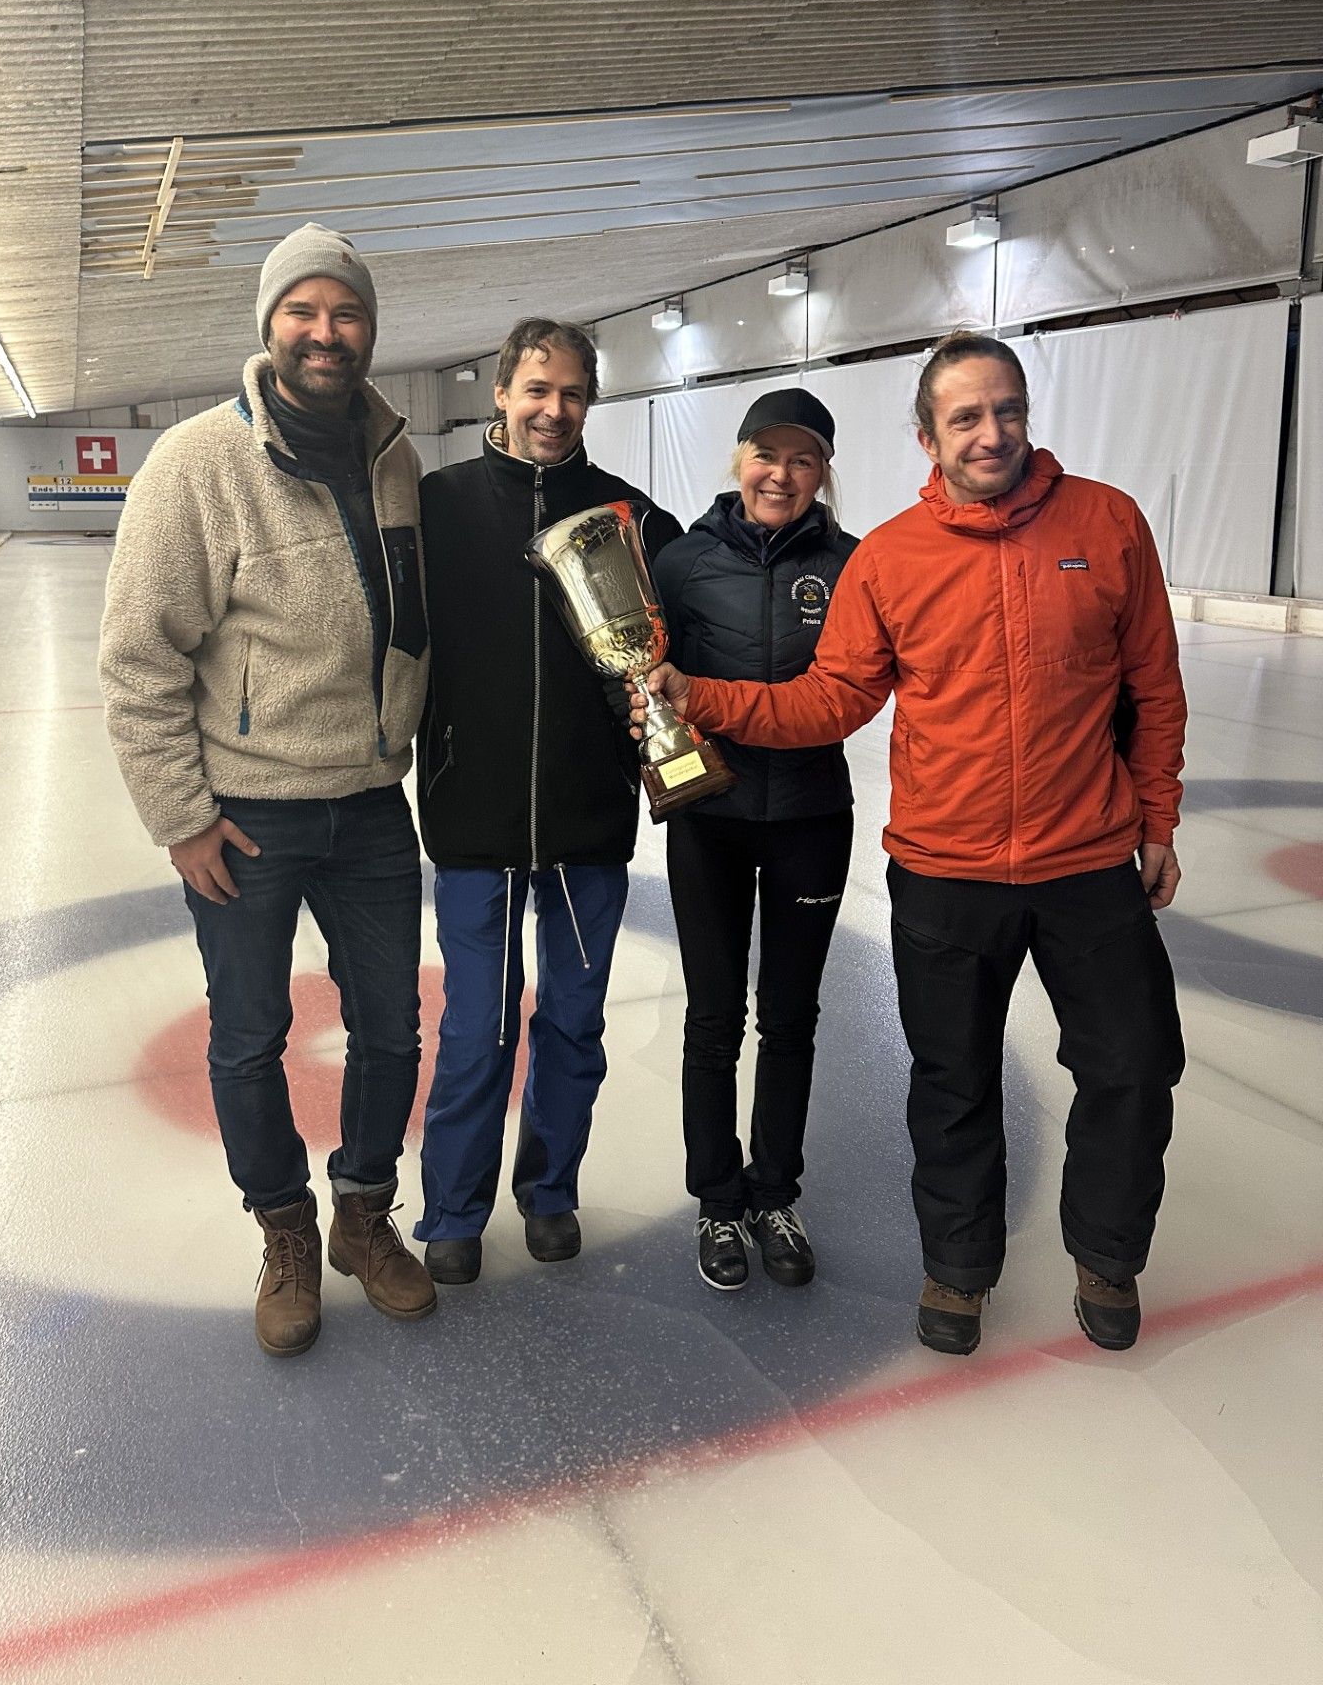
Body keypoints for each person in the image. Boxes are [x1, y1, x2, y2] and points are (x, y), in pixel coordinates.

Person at [635, 331, 1186, 1354]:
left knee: (1136, 1063)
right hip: (947, 868)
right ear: (928, 435)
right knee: (953, 1077)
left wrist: (1157, 819)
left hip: (1086, 862)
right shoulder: (891, 557)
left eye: (1006, 409)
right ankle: (959, 1270)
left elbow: (1152, 683)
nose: (992, 433)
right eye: (966, 417)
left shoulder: (1106, 524)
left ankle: (1107, 1254)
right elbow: (830, 698)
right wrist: (696, 696)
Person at [99, 222, 436, 1356]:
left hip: (373, 806)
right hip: (248, 814)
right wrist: (182, 818)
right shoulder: (199, 462)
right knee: (250, 1036)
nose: (325, 332)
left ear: (369, 333)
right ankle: (283, 1228)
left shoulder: (392, 456)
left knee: (391, 1028)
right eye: (304, 311)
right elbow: (139, 656)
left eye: (345, 314)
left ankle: (361, 1215)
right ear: (269, 326)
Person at [414, 317, 682, 1284]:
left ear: (589, 402)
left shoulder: (633, 521)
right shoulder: (439, 506)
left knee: (572, 1021)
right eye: (536, 389)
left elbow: (675, 653)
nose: (553, 410)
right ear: (500, 392)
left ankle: (551, 1190)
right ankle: (451, 1209)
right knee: (475, 1024)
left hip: (585, 822)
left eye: (571, 393)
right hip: (472, 817)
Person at [651, 388, 858, 1291]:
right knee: (712, 1017)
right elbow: (638, 674)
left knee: (791, 1017)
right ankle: (717, 1201)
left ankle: (774, 1192)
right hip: (713, 819)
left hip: (813, 815)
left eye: (803, 459)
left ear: (822, 473)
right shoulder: (682, 563)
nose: (782, 474)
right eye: (766, 456)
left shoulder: (854, 564)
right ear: (738, 460)